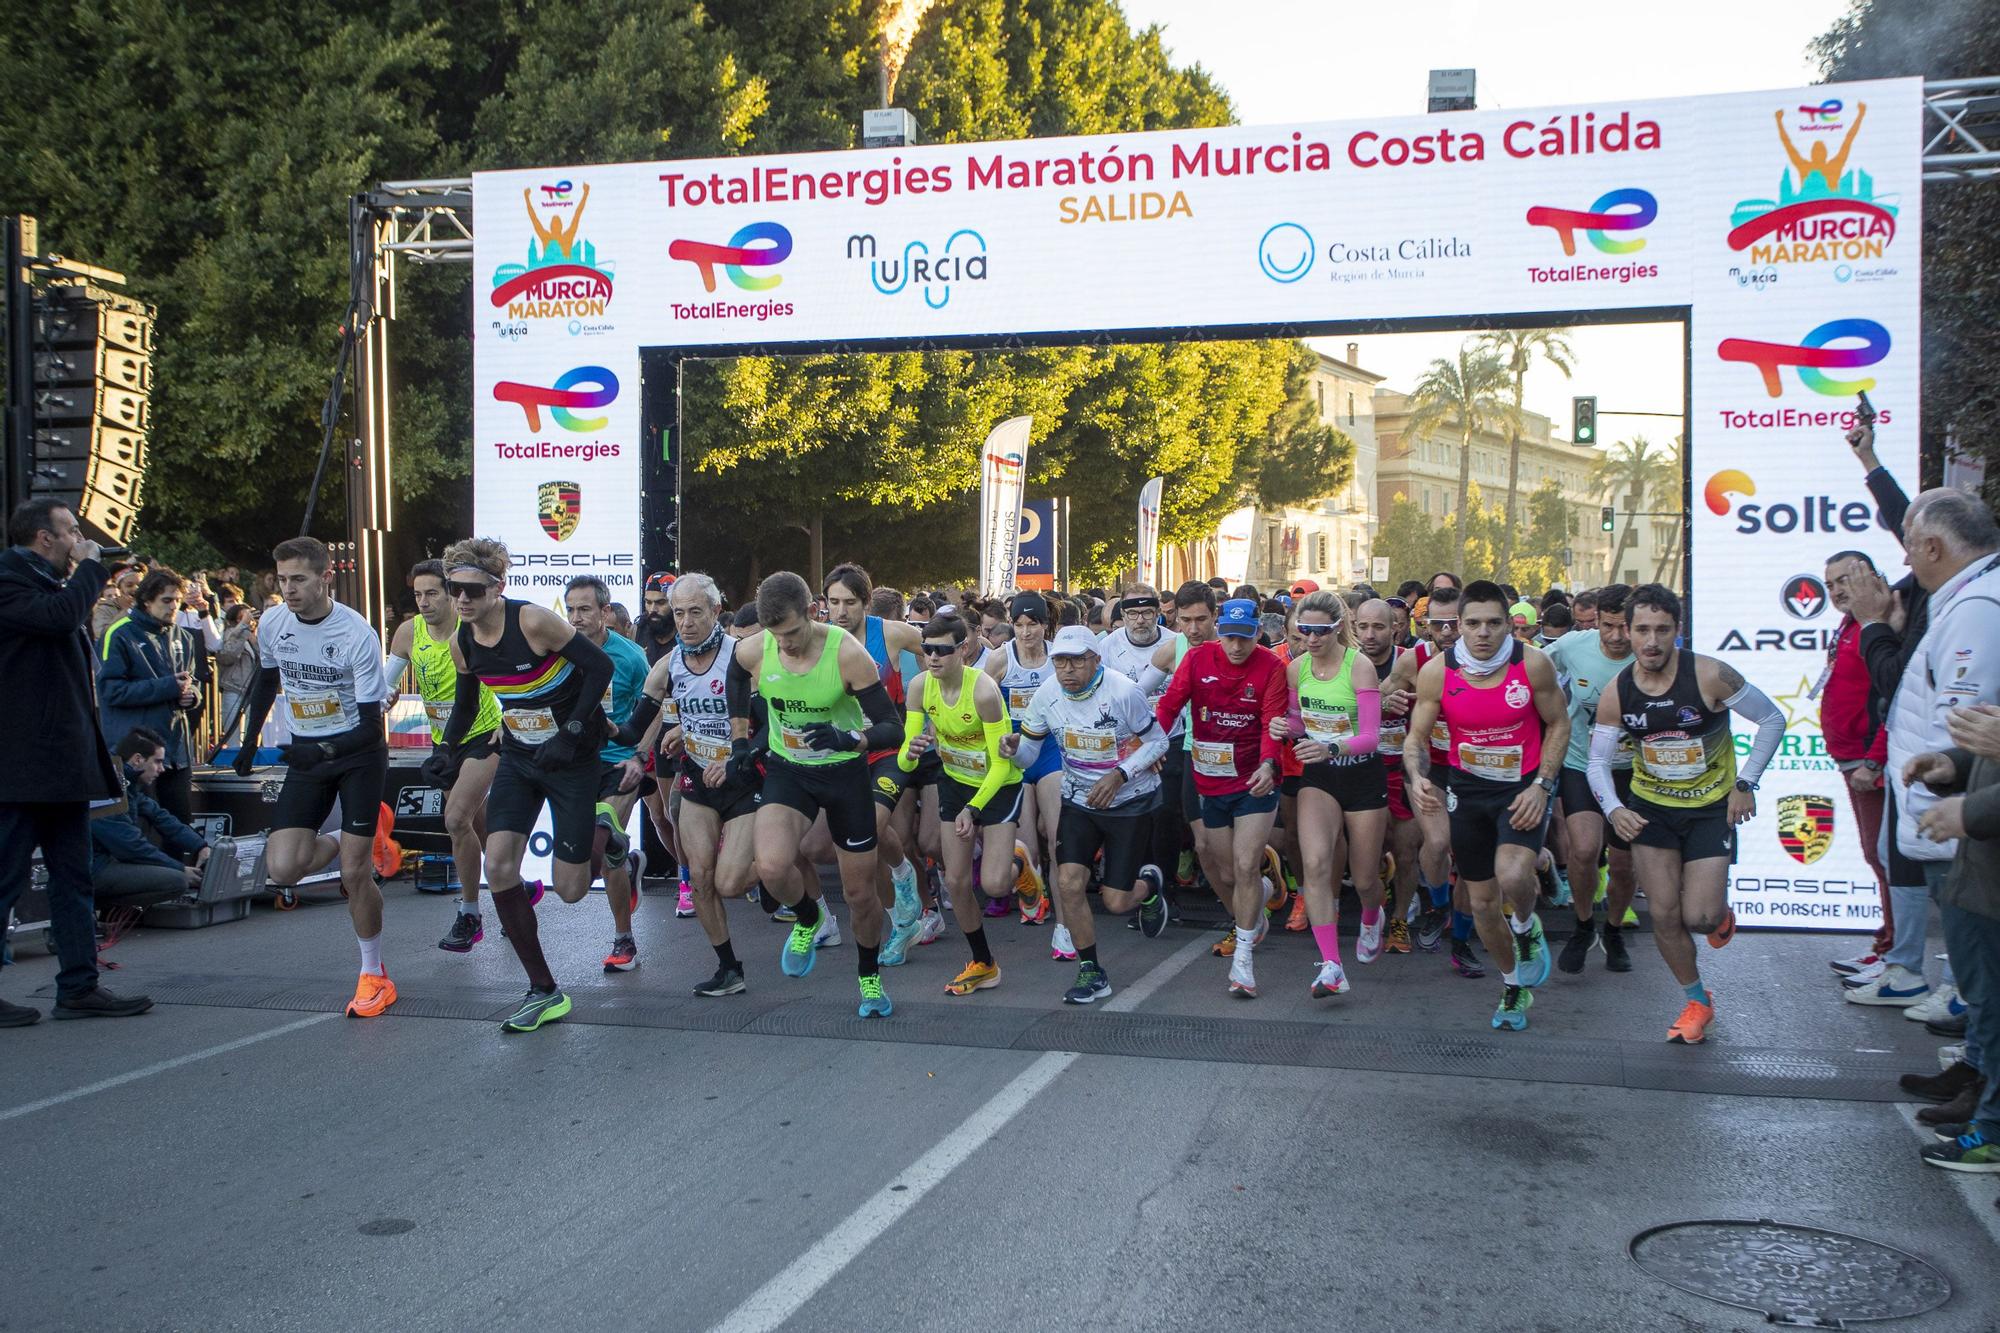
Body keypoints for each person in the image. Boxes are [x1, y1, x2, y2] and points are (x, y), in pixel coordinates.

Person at [1589, 584, 1787, 1044]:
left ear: (1678, 631)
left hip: (1709, 809)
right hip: (1651, 811)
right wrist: (1615, 810)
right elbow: (1598, 763)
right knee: (1664, 914)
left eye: (1662, 630)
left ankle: (1717, 914)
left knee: (1698, 917)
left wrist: (1746, 784)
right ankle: (1697, 1000)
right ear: (1629, 632)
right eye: (1642, 630)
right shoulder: (1617, 691)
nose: (1651, 641)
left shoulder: (1711, 675)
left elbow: (1772, 720)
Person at [434, 538, 617, 1032]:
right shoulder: (463, 641)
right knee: (498, 866)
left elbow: (601, 667)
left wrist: (575, 731)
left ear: (499, 588)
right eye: (455, 590)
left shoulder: (533, 621)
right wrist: (447, 751)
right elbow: (468, 705)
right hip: (519, 756)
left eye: (473, 590)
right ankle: (543, 990)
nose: (463, 600)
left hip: (572, 757)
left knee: (573, 889)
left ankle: (606, 827)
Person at [0, 500, 153, 1024]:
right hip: (18, 767)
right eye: (70, 532)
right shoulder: (8, 580)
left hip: (59, 765)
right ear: (44, 538)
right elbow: (59, 618)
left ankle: (79, 986)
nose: (79, 540)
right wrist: (91, 568)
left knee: (73, 877)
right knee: (5, 878)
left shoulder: (46, 583)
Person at [727, 572, 905, 1017]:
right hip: (790, 772)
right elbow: (734, 676)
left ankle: (869, 981)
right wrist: (740, 744)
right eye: (775, 634)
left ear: (812, 612)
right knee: (769, 866)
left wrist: (850, 739)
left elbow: (892, 728)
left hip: (845, 774)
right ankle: (809, 917)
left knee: (860, 895)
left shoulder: (846, 653)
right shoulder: (754, 648)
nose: (783, 645)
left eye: (790, 633)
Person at [235, 536, 394, 1018]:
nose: (289, 590)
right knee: (283, 870)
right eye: (282, 580)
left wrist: (324, 748)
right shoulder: (275, 622)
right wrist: (246, 744)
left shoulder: (356, 634)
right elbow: (266, 681)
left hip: (357, 754)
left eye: (299, 579)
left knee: (353, 873)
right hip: (309, 755)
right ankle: (369, 837)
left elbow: (371, 727)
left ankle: (374, 975)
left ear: (326, 577)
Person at [1406, 580, 1568, 1032]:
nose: (1482, 633)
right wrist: (1419, 778)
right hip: (1468, 790)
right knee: (1480, 905)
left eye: (1493, 623)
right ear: (1458, 625)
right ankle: (1513, 983)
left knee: (1514, 872)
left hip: (1522, 789)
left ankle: (1525, 926)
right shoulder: (1438, 671)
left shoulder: (1532, 665)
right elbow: (1417, 736)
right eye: (1472, 623)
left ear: (1509, 625)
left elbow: (1558, 724)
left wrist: (1543, 785)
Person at [1004, 625, 1170, 1003]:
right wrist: (1013, 750)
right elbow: (1028, 754)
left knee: (1115, 901)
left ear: (1096, 659)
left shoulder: (1123, 692)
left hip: (1130, 801)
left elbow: (1158, 741)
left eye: (1077, 660)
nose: (1067, 670)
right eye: (1060, 661)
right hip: (1078, 800)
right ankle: (1091, 970)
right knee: (1068, 884)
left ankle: (1149, 888)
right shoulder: (1046, 695)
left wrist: (1120, 774)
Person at [1155, 598, 1287, 997]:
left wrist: (1268, 765)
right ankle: (1261, 897)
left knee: (1246, 865)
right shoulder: (1197, 660)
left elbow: (1271, 723)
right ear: (1219, 631)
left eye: (1243, 638)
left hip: (1254, 781)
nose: (1235, 646)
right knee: (1225, 870)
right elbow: (1169, 705)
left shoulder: (1272, 667)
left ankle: (1243, 959)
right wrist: (1150, 747)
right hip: (1209, 778)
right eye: (1229, 637)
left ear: (1257, 633)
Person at [899, 609, 1023, 995]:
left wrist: (975, 809)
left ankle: (1021, 863)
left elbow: (1002, 766)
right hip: (954, 783)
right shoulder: (920, 686)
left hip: (996, 786)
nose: (932, 658)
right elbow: (905, 756)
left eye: (941, 650)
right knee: (955, 881)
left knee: (996, 884)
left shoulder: (984, 691)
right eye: (926, 650)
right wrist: (913, 751)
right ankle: (983, 963)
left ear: (963, 650)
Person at [385, 559, 502, 953]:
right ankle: (518, 889)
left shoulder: (473, 630)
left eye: (433, 593)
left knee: (455, 819)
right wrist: (384, 696)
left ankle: (470, 913)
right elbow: (385, 684)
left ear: (452, 595)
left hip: (484, 735)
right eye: (417, 594)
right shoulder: (407, 632)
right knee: (478, 827)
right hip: (444, 743)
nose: (424, 602)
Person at [1274, 591, 1386, 998]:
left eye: (1321, 631)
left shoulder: (1360, 668)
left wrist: (1332, 747)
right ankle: (1331, 966)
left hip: (1360, 775)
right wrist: (1283, 729)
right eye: (1305, 630)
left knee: (1364, 876)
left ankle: (1373, 914)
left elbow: (1372, 737)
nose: (1312, 638)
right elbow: (1296, 720)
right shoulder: (1296, 669)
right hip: (1319, 776)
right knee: (1317, 864)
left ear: (1338, 628)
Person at [1904, 707, 2000, 1172]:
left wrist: (1973, 809)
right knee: (1987, 1005)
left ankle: (1994, 1132)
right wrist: (1953, 766)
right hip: (1981, 876)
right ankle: (1991, 1120)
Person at [822, 565, 928, 964]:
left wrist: (933, 707)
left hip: (888, 747)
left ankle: (902, 878)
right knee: (824, 846)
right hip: (843, 752)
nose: (841, 611)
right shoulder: (821, 640)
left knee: (870, 826)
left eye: (850, 602)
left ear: (866, 602)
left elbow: (941, 649)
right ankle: (900, 916)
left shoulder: (891, 633)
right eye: (833, 602)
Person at [1386, 584, 1483, 974]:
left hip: (1475, 767)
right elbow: (1379, 695)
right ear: (1424, 625)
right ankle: (1439, 905)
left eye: (1453, 624)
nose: (1445, 633)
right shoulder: (1415, 660)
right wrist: (1388, 700)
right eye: (1436, 624)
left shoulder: (1487, 658)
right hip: (1428, 762)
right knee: (1438, 841)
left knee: (1471, 858)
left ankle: (1460, 939)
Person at [1545, 584, 1640, 974]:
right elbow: (1526, 666)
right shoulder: (1573, 646)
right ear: (1595, 621)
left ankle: (1614, 930)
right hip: (1582, 762)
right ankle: (1584, 925)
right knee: (1584, 850)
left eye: (1624, 628)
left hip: (1633, 771)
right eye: (1607, 626)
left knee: (1622, 863)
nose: (1616, 637)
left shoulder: (1652, 652)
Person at [563, 576, 654, 972]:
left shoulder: (631, 657)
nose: (576, 618)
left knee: (605, 832)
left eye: (585, 609)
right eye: (570, 609)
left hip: (621, 763)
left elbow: (656, 709)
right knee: (588, 864)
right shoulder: (559, 653)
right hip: (578, 765)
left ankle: (624, 940)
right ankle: (629, 863)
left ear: (605, 612)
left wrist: (639, 756)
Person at [1821, 551, 1895, 965]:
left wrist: (1875, 760)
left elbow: (1896, 694)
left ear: (1869, 575)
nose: (1835, 591)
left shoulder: (1879, 624)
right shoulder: (1850, 623)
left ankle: (1893, 955)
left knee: (1884, 858)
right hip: (1852, 759)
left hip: (1871, 764)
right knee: (1876, 855)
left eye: (1843, 580)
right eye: (1830, 584)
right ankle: (1887, 948)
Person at [97, 567, 204, 822]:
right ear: (147, 601)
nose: (173, 607)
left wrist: (193, 697)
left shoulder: (184, 636)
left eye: (177, 600)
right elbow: (111, 691)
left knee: (179, 826)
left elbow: (192, 682)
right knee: (141, 828)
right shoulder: (118, 633)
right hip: (136, 752)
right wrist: (168, 687)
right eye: (166, 601)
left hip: (176, 749)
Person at [985, 591, 1059, 935]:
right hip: (1014, 752)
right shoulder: (1000, 660)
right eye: (1018, 624)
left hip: (1050, 750)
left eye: (1033, 624)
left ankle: (1067, 916)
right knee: (1028, 845)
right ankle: (1035, 894)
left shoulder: (1059, 656)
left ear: (1046, 625)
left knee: (1057, 837)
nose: (1026, 632)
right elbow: (984, 708)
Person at [93, 728, 210, 909]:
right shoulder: (108, 787)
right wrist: (179, 869)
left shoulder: (126, 782)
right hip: (93, 868)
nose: (162, 769)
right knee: (177, 881)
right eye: (157, 762)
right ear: (138, 759)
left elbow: (161, 816)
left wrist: (199, 845)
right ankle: (97, 908)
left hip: (105, 862)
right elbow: (132, 846)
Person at [215, 603, 259, 749]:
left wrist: (254, 638)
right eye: (243, 617)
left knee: (252, 732)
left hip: (253, 690)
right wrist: (241, 629)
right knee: (232, 734)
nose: (248, 621)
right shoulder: (229, 634)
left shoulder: (254, 636)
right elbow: (227, 655)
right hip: (233, 688)